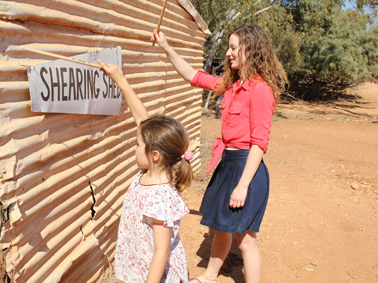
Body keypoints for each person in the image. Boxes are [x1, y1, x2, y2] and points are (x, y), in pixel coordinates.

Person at [151, 24, 287, 283]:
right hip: (228, 164)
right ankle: (210, 275)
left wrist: (243, 186)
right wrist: (166, 47)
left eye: (233, 47)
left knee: (245, 240)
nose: (228, 53)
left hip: (247, 168)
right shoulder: (232, 85)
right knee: (221, 228)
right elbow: (194, 76)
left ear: (250, 50)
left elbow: (259, 144)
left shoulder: (260, 90)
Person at [97, 59, 194, 283]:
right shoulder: (155, 171)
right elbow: (142, 119)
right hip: (141, 262)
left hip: (154, 274)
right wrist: (121, 80)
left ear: (155, 155)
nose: (134, 146)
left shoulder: (158, 198)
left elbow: (161, 252)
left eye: (137, 144)